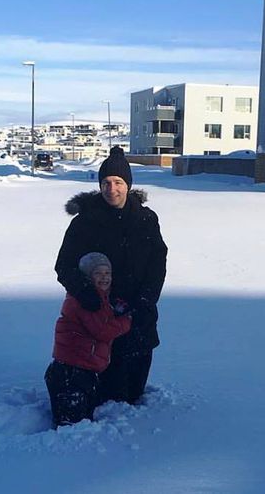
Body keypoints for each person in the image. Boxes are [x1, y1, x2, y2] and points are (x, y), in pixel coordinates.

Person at [55, 146, 168, 405]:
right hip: (101, 318)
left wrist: (146, 299)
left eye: (118, 182)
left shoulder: (146, 219)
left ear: (128, 185)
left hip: (139, 314)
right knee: (111, 396)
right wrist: (86, 295)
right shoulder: (85, 222)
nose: (112, 189)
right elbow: (64, 265)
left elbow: (157, 263)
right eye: (106, 182)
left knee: (135, 390)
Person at [45, 252, 132, 427]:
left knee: (82, 420)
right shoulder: (85, 300)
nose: (104, 278)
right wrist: (126, 321)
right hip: (71, 373)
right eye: (98, 273)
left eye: (107, 273)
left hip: (83, 370)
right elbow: (102, 331)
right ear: (87, 276)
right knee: (72, 426)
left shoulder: (100, 298)